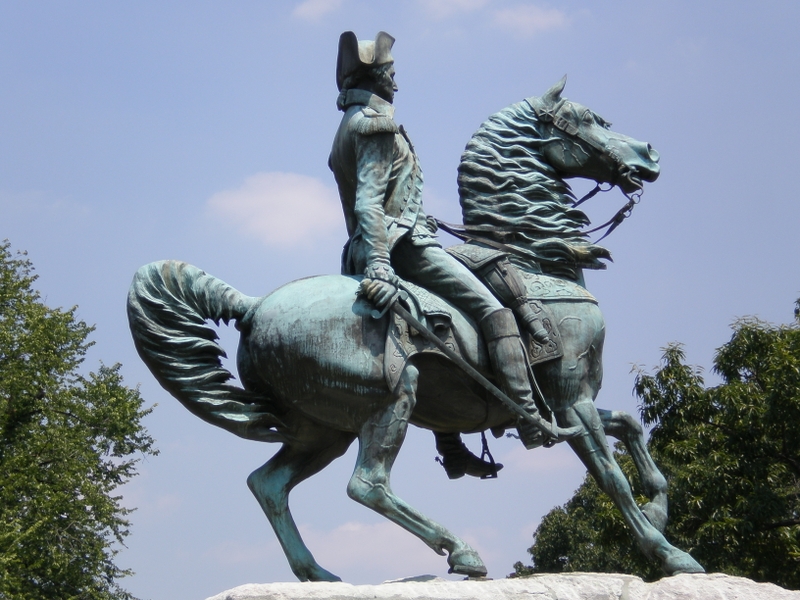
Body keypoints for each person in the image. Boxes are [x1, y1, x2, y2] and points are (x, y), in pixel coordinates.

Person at [328, 31, 551, 477]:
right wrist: (380, 265)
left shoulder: (349, 123)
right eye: (391, 74)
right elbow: (368, 203)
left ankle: (451, 447)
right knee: (494, 313)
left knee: (440, 335)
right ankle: (529, 418)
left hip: (387, 242)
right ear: (374, 77)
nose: (396, 83)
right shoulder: (374, 123)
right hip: (399, 248)